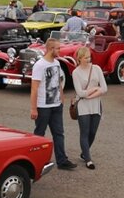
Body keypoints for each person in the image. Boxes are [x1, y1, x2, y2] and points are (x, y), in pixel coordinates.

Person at [30, 37, 75, 170]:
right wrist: (33, 108)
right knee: (39, 134)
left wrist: (61, 98)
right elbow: (34, 88)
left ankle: (62, 160)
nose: (60, 50)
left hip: (56, 105)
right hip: (43, 107)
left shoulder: (56, 63)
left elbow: (58, 81)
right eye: (58, 48)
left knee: (59, 133)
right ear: (51, 49)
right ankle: (36, 160)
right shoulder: (39, 65)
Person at [71, 46, 107, 170]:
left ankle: (84, 152)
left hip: (96, 104)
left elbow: (105, 88)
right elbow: (80, 93)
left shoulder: (96, 69)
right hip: (83, 106)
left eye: (89, 57)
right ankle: (88, 159)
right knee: (84, 132)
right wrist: (96, 89)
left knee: (93, 132)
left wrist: (90, 95)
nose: (88, 59)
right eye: (86, 58)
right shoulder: (76, 72)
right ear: (79, 59)